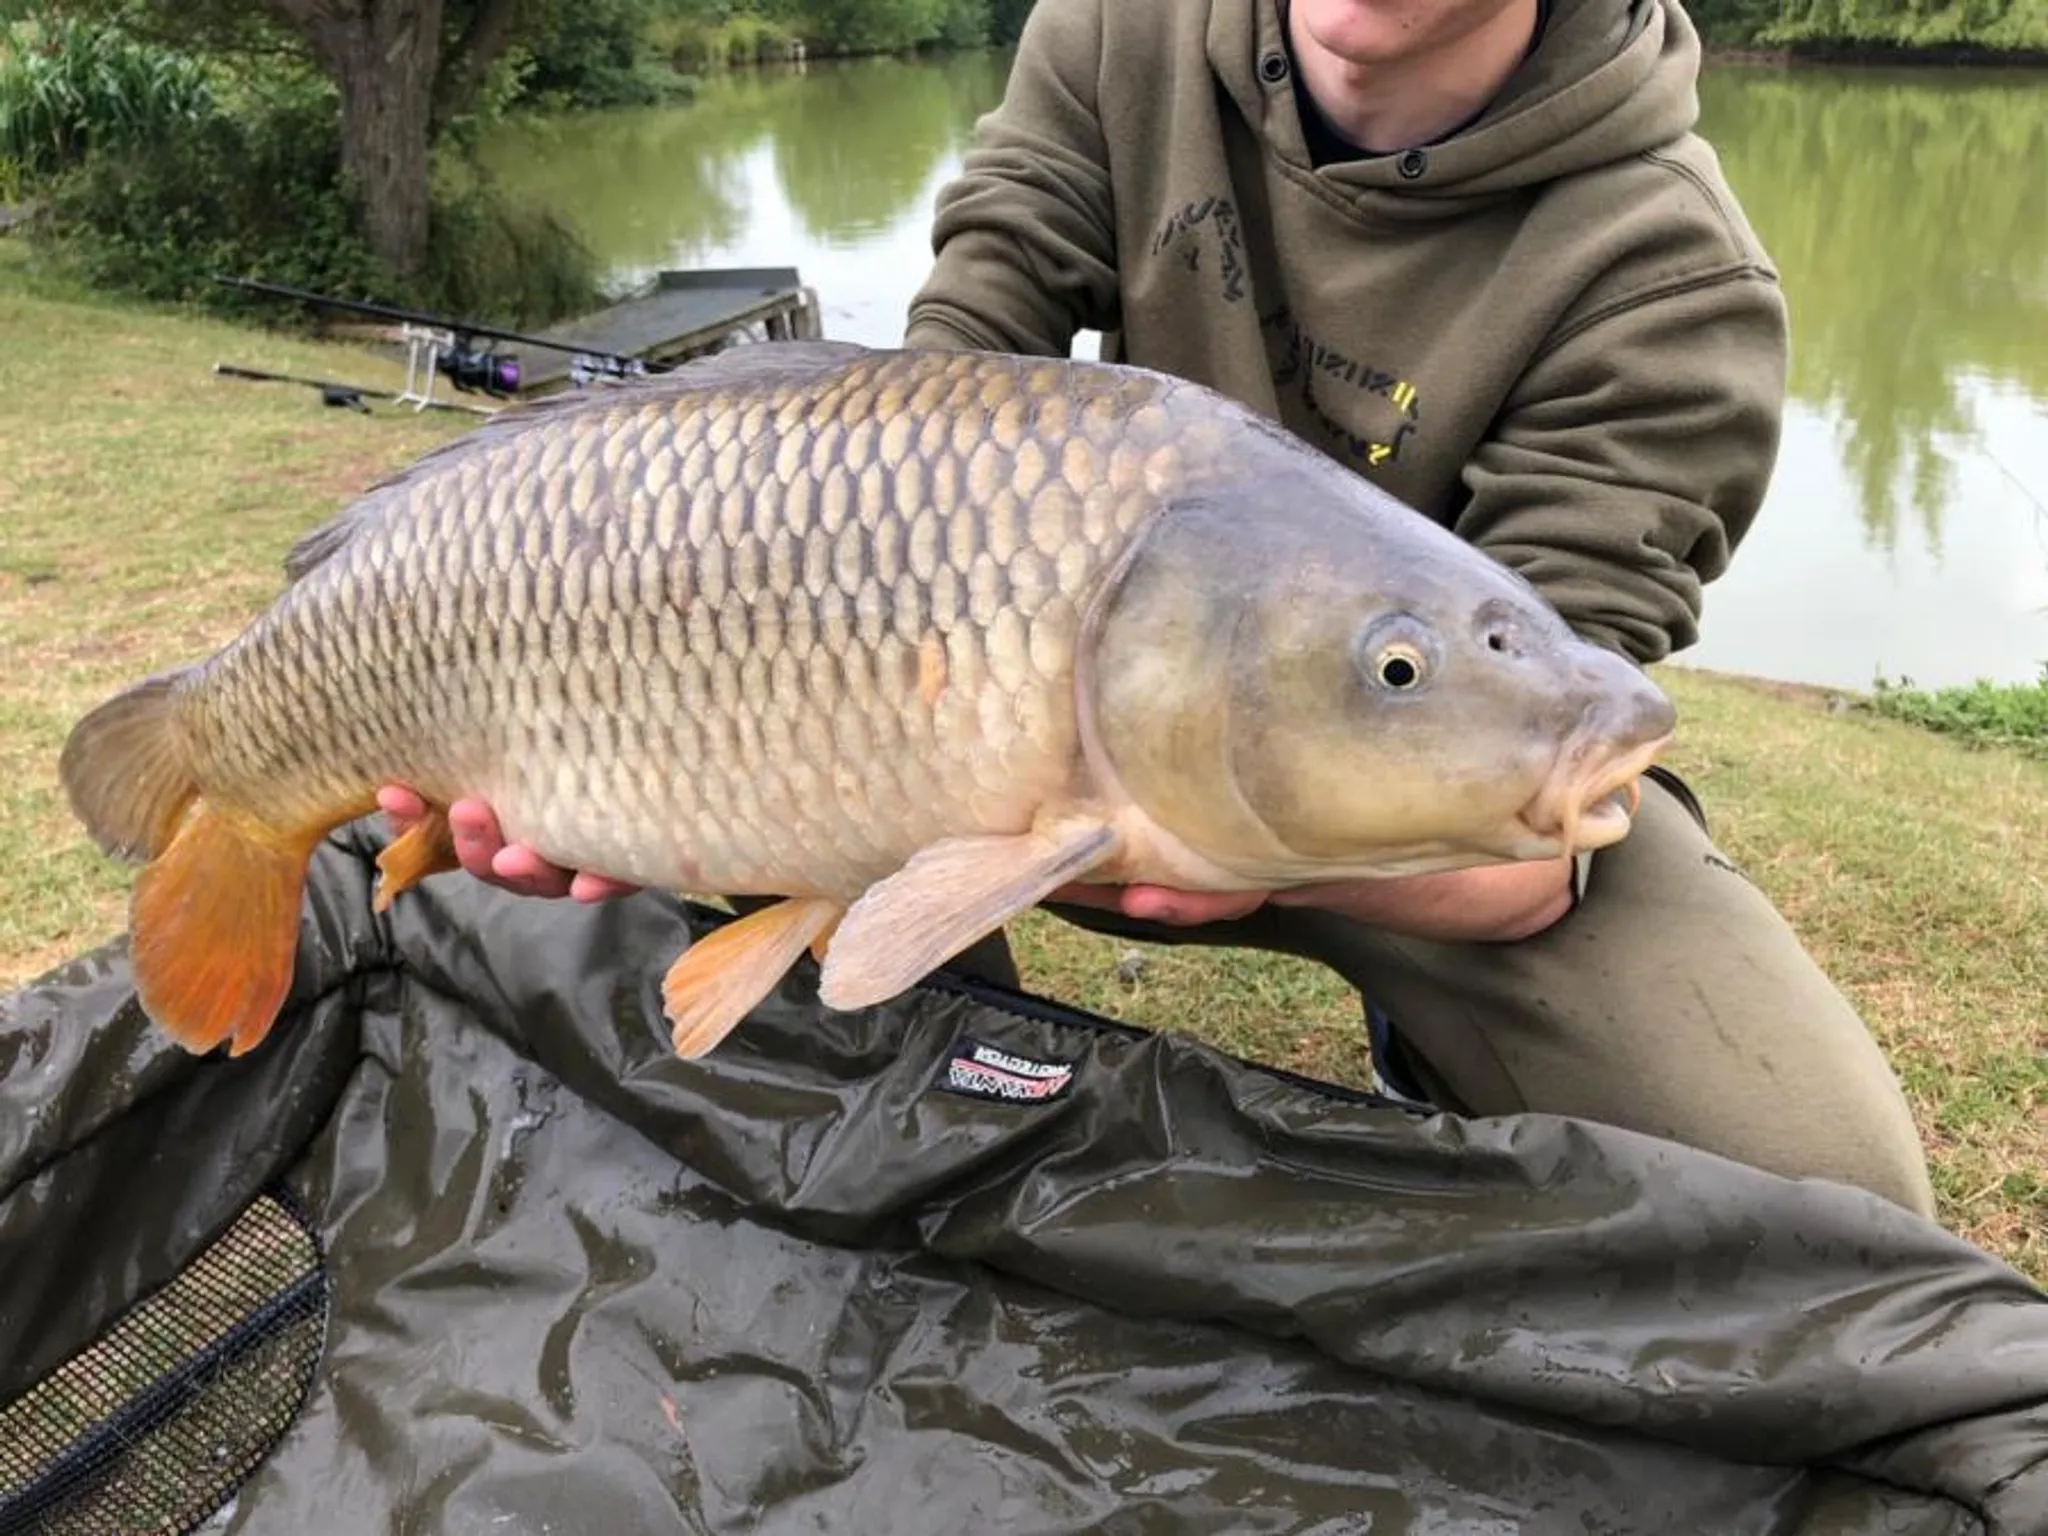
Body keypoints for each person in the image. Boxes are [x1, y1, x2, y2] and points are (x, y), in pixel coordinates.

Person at [378, 0, 1939, 1216]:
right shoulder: (1122, 30)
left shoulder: (1669, 272)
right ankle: (907, 1082)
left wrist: (1296, 828)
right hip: (1026, 752)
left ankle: (1434, 1032)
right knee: (670, 793)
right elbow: (927, 404)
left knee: (1832, 1200)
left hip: (1403, 818)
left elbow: (1542, 805)